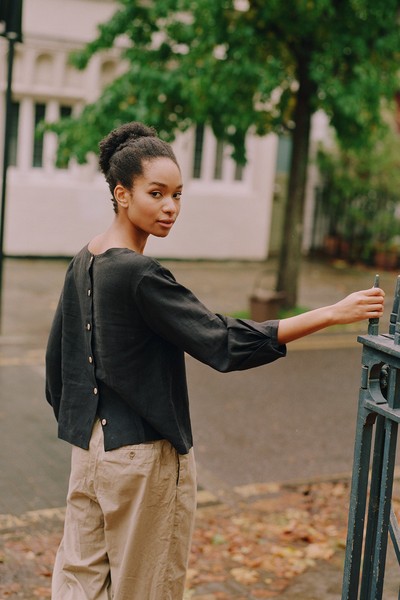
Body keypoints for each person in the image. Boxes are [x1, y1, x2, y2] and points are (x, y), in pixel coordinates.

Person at [45, 121, 385, 600]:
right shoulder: (140, 274)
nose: (170, 207)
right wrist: (332, 313)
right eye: (156, 193)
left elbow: (56, 370)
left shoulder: (84, 259)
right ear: (122, 193)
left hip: (89, 452)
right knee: (147, 590)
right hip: (143, 458)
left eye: (178, 195)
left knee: (78, 585)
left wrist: (86, 431)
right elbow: (222, 341)